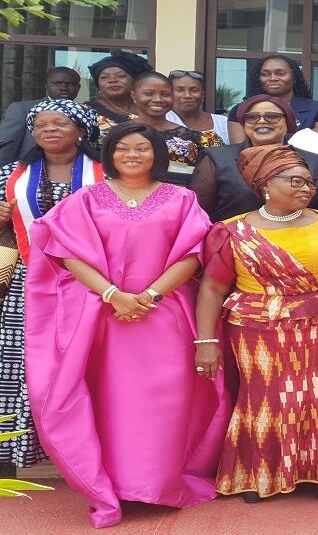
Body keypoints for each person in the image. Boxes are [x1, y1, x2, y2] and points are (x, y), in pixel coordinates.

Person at [23, 122, 229, 528]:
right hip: (105, 318)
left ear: (158, 154)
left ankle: (158, 483)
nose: (132, 155)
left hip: (165, 315)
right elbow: (65, 251)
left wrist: (149, 296)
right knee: (111, 399)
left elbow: (192, 253)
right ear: (109, 154)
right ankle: (112, 484)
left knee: (165, 401)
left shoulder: (181, 198)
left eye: (142, 148)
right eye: (123, 149)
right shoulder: (86, 199)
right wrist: (114, 295)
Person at [196, 144, 318, 504]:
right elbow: (213, 288)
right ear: (264, 184)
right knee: (264, 398)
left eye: (310, 182)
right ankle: (261, 474)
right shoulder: (231, 231)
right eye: (296, 181)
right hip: (255, 325)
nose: (306, 188)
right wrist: (205, 341)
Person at [0, 99, 102, 472]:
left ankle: (86, 454)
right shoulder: (11, 174)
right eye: (40, 125)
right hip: (29, 280)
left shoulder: (107, 174)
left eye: (59, 123)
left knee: (87, 359)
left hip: (91, 280)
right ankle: (12, 452)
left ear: (81, 130)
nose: (49, 130)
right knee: (19, 361)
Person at [192, 95, 318, 222]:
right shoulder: (217, 159)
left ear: (288, 123)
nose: (261, 121)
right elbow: (197, 215)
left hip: (300, 241)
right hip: (234, 242)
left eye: (272, 116)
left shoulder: (314, 162)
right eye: (252, 117)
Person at [130, 71, 223, 186]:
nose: (158, 99)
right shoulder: (118, 134)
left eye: (165, 94)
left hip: (181, 202)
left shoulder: (198, 139)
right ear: (134, 96)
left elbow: (212, 180)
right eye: (149, 94)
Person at [227, 55, 318, 143]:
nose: (273, 78)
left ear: (294, 77)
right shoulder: (240, 110)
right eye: (265, 74)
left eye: (280, 73)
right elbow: (239, 151)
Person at [0, 67, 82, 165]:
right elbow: (6, 146)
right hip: (28, 172)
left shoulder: (84, 113)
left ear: (78, 88)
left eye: (70, 84)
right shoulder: (23, 109)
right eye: (57, 83)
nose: (64, 88)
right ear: (46, 87)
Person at [84, 50, 153, 137]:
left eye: (121, 76)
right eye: (104, 77)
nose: (112, 80)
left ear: (135, 80)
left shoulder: (152, 108)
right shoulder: (86, 112)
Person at [166, 70, 230, 144]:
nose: (187, 95)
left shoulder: (223, 123)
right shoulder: (163, 120)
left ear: (202, 95)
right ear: (169, 94)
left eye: (194, 90)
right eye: (180, 90)